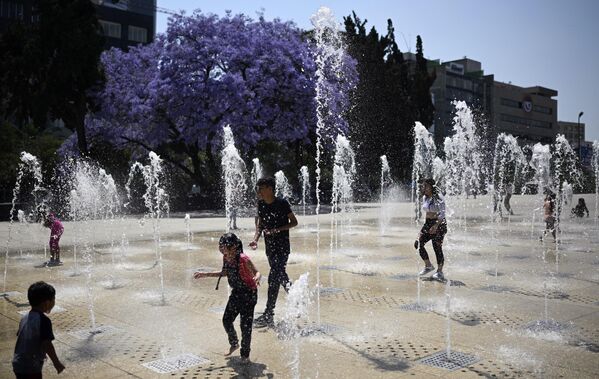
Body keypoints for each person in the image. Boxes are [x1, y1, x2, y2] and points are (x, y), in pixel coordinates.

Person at [193, 233, 260, 363]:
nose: (223, 250)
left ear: (234, 247)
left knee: (245, 326)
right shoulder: (226, 258)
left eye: (225, 247)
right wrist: (205, 274)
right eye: (221, 248)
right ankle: (234, 343)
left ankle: (245, 355)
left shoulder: (243, 259)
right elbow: (225, 272)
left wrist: (257, 277)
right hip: (236, 293)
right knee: (226, 320)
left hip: (249, 295)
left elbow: (257, 272)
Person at [250, 177, 298, 328]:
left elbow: (294, 222)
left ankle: (268, 314)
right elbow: (260, 225)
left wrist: (278, 229)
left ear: (270, 188)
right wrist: (256, 239)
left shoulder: (282, 203)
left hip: (282, 246)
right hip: (269, 247)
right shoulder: (261, 204)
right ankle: (295, 295)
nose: (259, 192)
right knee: (279, 274)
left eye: (261, 188)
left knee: (273, 277)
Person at [13, 281, 65, 378]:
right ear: (46, 303)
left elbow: (23, 338)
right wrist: (56, 363)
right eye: (53, 299)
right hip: (31, 367)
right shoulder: (44, 320)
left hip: (18, 363)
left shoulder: (25, 317)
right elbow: (47, 344)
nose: (54, 302)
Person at [414, 178, 448, 281]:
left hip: (439, 224)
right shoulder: (425, 197)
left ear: (431, 187)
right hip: (428, 223)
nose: (423, 188)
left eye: (426, 186)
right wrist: (423, 230)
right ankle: (428, 266)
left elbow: (442, 213)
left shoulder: (439, 197)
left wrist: (436, 226)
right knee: (418, 243)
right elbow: (427, 214)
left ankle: (440, 272)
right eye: (423, 186)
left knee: (436, 246)